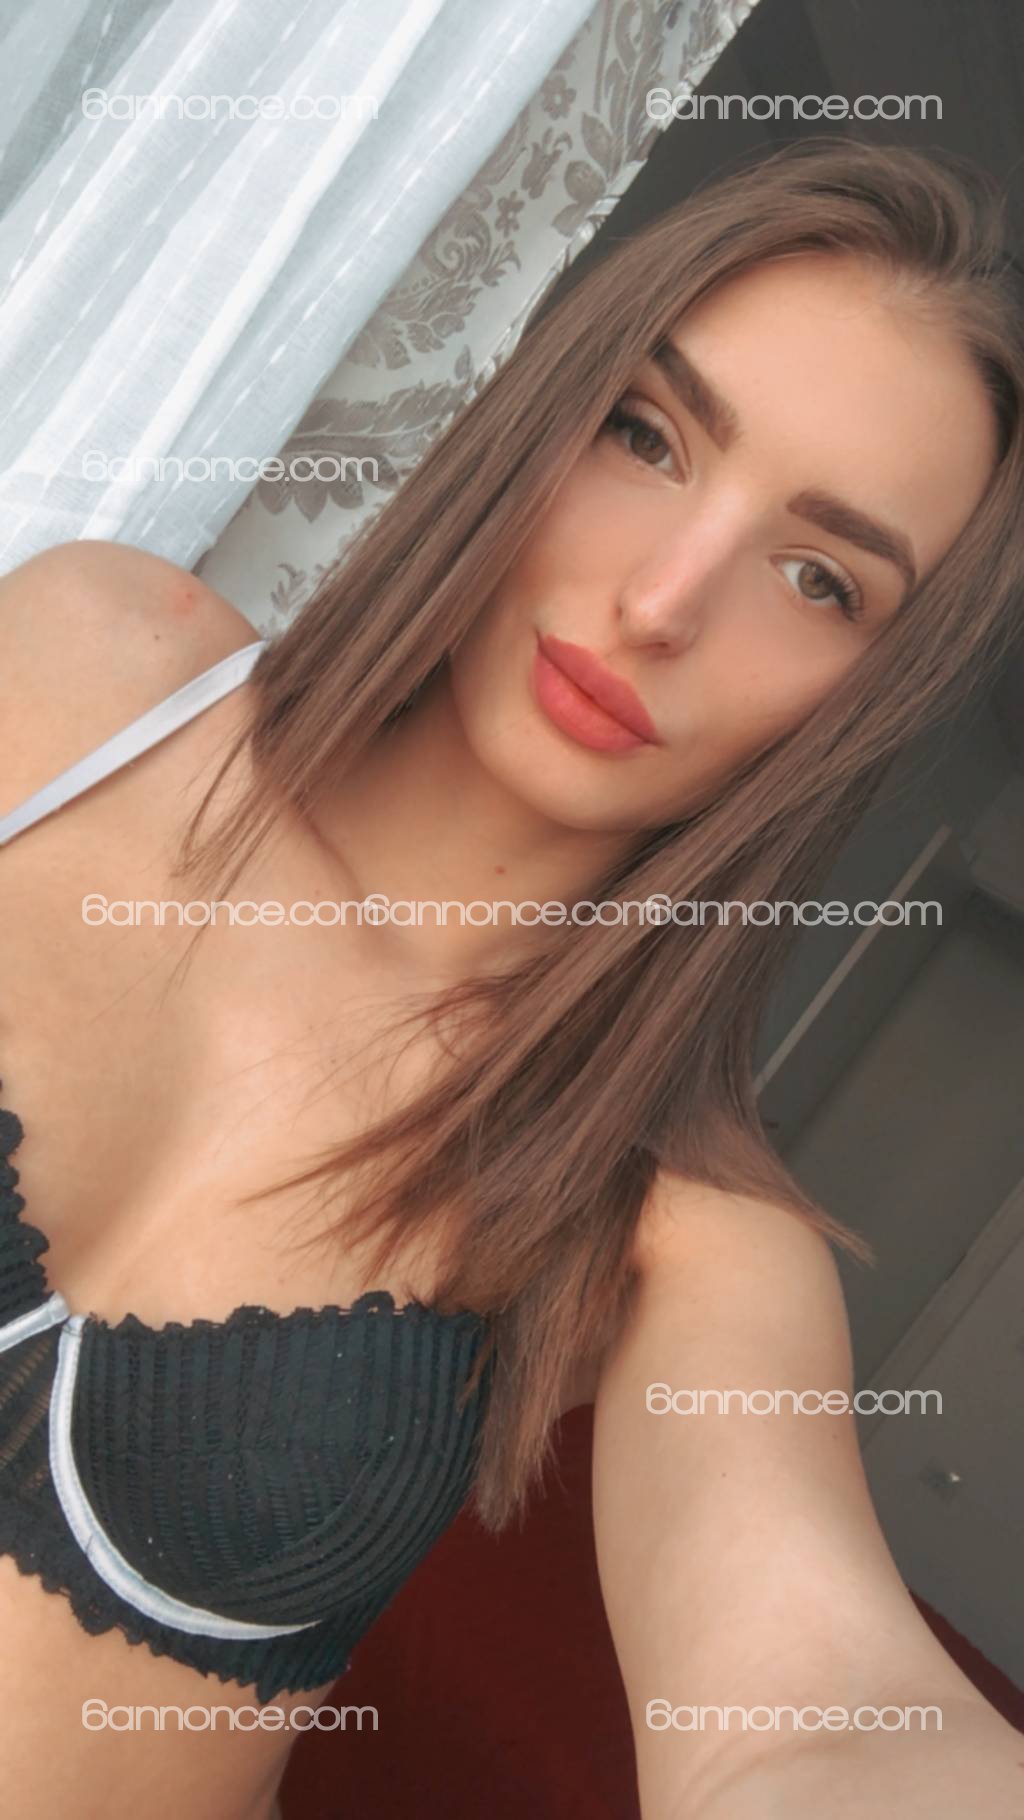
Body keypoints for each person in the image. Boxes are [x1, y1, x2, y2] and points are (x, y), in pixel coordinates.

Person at [1, 137, 1022, 1820]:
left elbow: (813, 1721)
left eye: (820, 579)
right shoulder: (88, 678)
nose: (661, 603)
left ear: (865, 708)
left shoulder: (677, 1233)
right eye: (647, 434)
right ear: (544, 405)